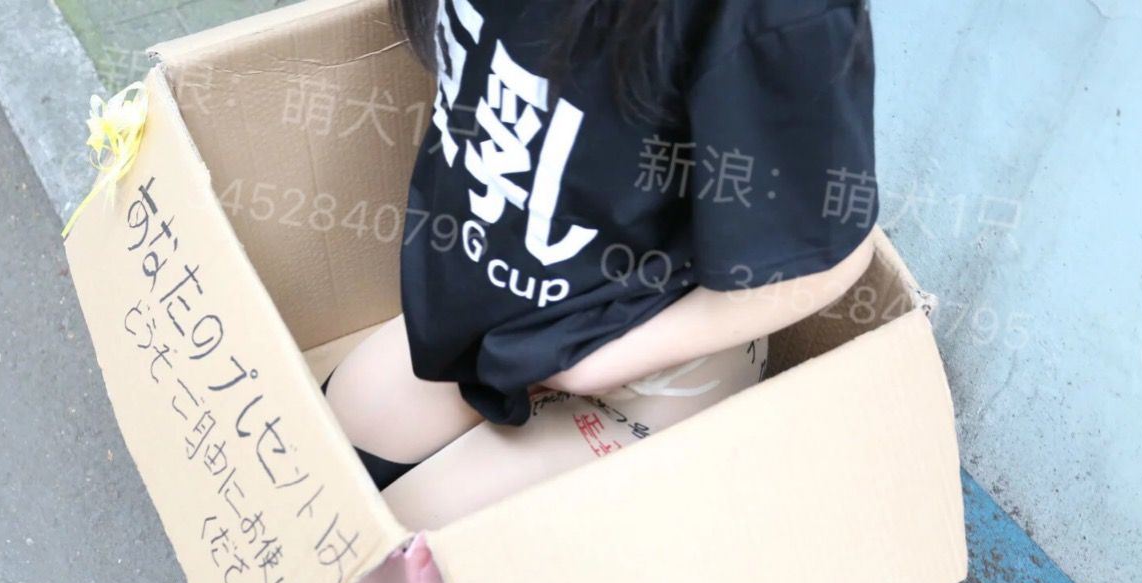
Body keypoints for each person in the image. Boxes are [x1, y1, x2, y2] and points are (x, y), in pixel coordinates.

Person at [321, 0, 878, 529]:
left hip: (650, 347)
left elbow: (833, 255)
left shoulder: (769, 13)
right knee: (336, 435)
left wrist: (594, 367)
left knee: (405, 544)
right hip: (509, 301)